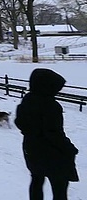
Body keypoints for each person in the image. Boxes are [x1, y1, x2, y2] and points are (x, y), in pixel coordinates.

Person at [15, 68, 79, 200]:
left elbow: (19, 122)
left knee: (36, 179)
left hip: (31, 149)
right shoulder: (51, 106)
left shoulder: (27, 100)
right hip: (52, 154)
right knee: (59, 186)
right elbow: (54, 133)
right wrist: (69, 149)